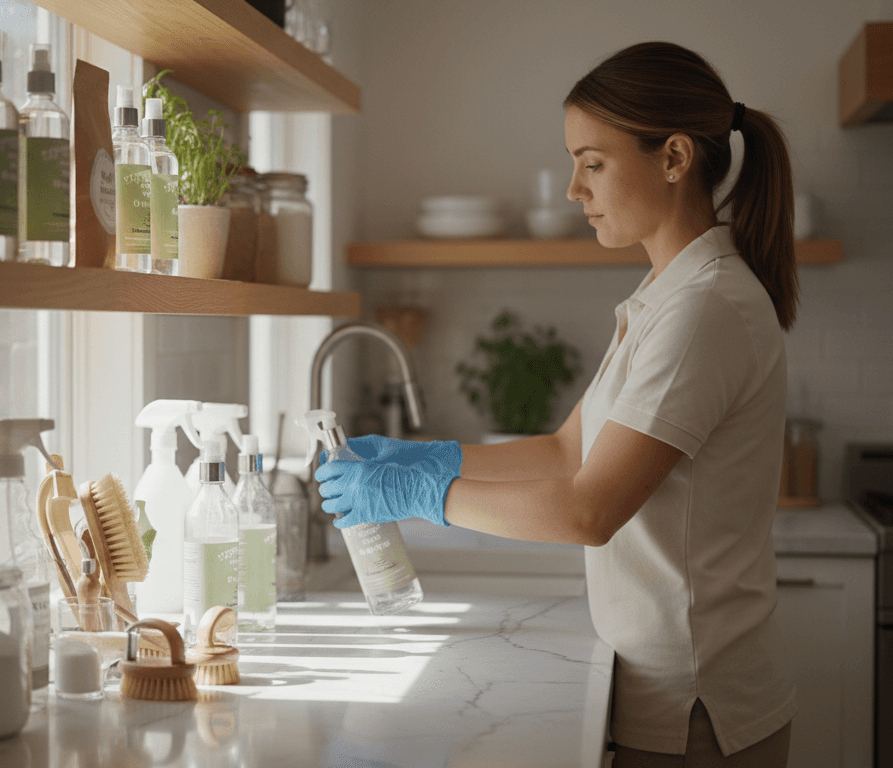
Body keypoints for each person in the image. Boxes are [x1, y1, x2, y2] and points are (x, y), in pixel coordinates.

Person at [316, 41, 799, 768]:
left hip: (699, 705)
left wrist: (418, 491)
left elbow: (588, 511)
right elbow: (565, 453)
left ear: (674, 158)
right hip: (666, 689)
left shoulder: (705, 309)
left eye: (593, 163)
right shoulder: (665, 298)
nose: (575, 189)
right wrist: (427, 454)